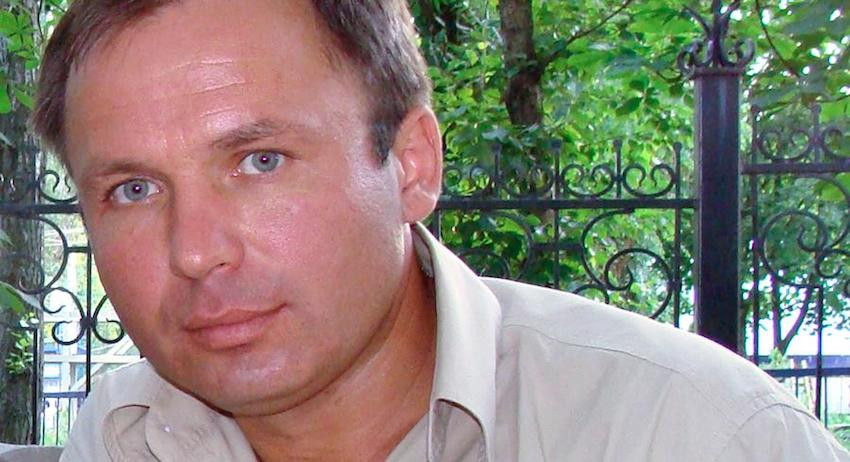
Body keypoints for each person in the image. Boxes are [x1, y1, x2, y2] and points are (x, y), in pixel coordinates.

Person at [31, 1, 849, 461]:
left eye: (261, 161)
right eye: (134, 189)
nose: (195, 250)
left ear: (412, 165)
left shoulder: (695, 437)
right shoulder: (126, 436)